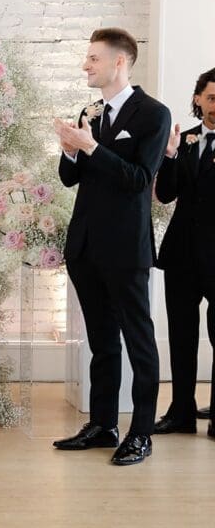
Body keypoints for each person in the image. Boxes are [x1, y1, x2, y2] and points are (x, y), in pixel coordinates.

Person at [52, 28, 172, 465]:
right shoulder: (91, 111)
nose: (86, 65)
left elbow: (140, 180)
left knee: (139, 342)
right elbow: (71, 178)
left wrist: (91, 147)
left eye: (93, 58)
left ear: (120, 62)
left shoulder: (154, 114)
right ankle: (103, 424)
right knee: (101, 341)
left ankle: (141, 433)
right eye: (86, 59)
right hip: (85, 246)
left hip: (125, 249)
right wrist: (69, 151)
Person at [152, 66, 215, 439]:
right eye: (211, 97)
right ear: (198, 99)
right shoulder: (183, 140)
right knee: (181, 334)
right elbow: (164, 195)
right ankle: (181, 412)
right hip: (181, 256)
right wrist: (170, 157)